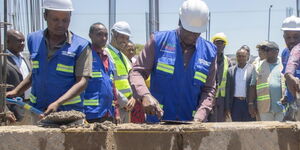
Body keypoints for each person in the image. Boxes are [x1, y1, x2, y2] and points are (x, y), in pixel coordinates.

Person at [129, 0, 217, 122]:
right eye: (189, 31)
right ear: (180, 21)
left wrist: (200, 115)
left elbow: (209, 89)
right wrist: (145, 95)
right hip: (158, 122)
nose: (192, 36)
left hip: (192, 124)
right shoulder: (158, 41)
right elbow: (137, 72)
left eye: (196, 33)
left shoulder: (210, 52)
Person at [6, 0, 92, 122]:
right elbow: (36, 72)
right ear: (45, 16)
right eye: (55, 19)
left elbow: (82, 82)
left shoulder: (81, 46)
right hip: (38, 111)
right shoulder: (33, 39)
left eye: (65, 20)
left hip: (69, 114)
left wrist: (57, 103)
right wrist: (16, 91)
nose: (60, 24)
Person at [84, 22, 120, 123]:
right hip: (90, 114)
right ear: (90, 35)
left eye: (106, 35)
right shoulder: (85, 56)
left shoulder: (107, 58)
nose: (103, 38)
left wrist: (116, 111)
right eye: (99, 34)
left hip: (108, 113)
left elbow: (112, 87)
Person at [105, 21, 136, 123]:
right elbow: (108, 83)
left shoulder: (123, 56)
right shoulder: (106, 54)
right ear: (113, 34)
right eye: (122, 37)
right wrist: (124, 101)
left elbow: (129, 79)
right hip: (116, 106)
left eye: (127, 38)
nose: (125, 41)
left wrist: (133, 98)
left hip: (127, 106)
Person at [250, 41, 285, 121]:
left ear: (276, 51)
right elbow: (252, 86)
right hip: (265, 108)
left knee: (281, 132)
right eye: (262, 49)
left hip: (282, 108)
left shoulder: (284, 64)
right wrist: (251, 103)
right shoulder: (258, 66)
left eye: (266, 49)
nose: (263, 51)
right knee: (267, 132)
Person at [5, 29, 31, 122]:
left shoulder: (26, 58)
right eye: (19, 41)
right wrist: (5, 110)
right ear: (7, 41)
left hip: (29, 105)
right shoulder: (3, 60)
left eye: (23, 40)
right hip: (13, 109)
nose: (23, 43)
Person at [225, 48, 256, 121]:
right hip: (235, 104)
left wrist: (254, 104)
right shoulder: (230, 71)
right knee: (236, 128)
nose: (241, 58)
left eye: (243, 56)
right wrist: (227, 107)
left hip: (248, 103)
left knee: (250, 128)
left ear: (247, 57)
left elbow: (254, 87)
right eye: (239, 56)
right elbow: (228, 89)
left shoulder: (252, 69)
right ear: (236, 57)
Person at [208, 32, 231, 122]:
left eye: (221, 43)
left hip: (222, 98)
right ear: (213, 44)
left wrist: (227, 105)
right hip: (209, 95)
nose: (219, 45)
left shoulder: (227, 61)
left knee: (221, 122)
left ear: (224, 45)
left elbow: (229, 84)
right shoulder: (208, 58)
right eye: (217, 43)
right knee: (209, 121)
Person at [281, 16, 300, 104]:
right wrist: (286, 95)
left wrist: (289, 75)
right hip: (293, 103)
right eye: (288, 37)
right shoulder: (285, 53)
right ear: (283, 37)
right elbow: (286, 79)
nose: (292, 40)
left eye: (296, 37)